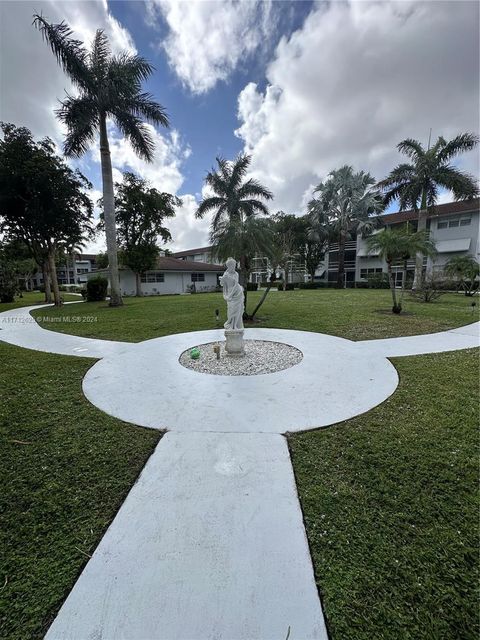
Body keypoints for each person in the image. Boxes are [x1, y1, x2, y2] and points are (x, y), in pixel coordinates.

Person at [219, 258, 244, 330]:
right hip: (230, 293)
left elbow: (236, 285)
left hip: (237, 293)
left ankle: (235, 326)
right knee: (231, 309)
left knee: (238, 309)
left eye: (235, 265)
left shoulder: (236, 274)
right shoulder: (225, 274)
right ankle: (230, 324)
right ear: (228, 266)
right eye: (233, 265)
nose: (234, 267)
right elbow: (222, 284)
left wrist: (230, 295)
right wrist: (223, 279)